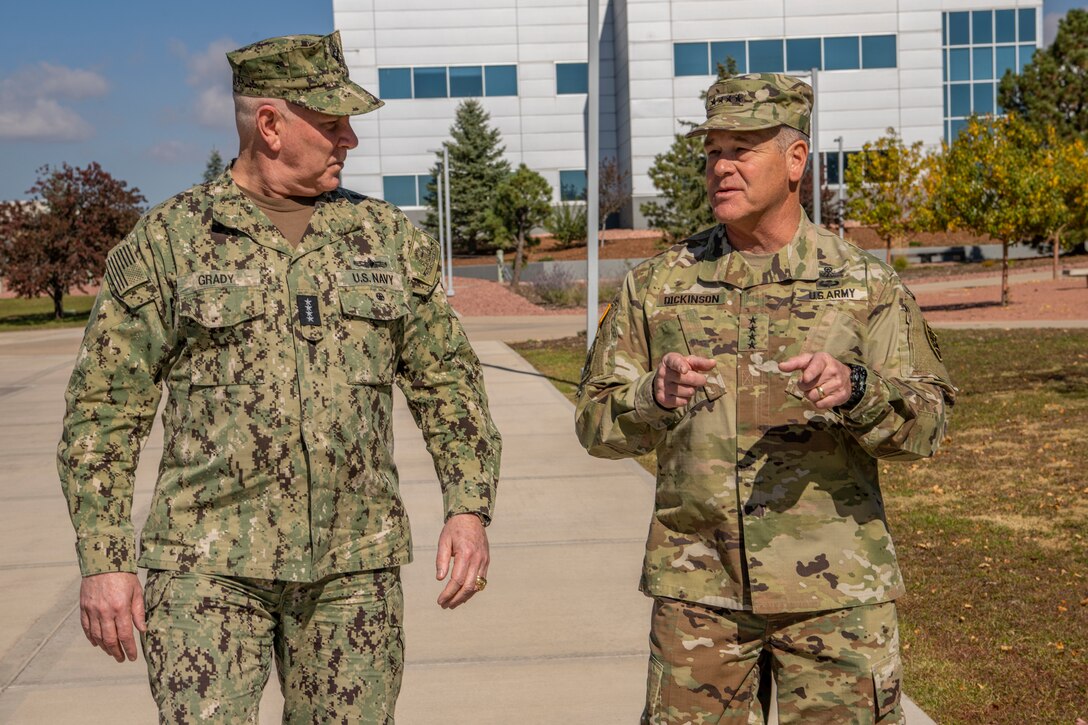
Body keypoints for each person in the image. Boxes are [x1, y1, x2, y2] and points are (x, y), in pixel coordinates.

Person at [57, 31, 501, 723]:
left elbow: (450, 386)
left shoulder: (387, 239)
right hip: (207, 569)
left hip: (353, 567)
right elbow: (102, 411)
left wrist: (469, 507)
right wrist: (104, 555)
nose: (349, 139)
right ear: (269, 124)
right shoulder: (171, 241)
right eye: (330, 124)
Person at [575, 73, 954, 724]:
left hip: (834, 594)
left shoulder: (864, 285)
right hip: (700, 594)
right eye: (712, 150)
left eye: (741, 148)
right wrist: (650, 396)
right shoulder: (658, 284)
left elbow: (930, 422)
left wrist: (858, 389)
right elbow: (593, 422)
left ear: (795, 159)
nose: (720, 166)